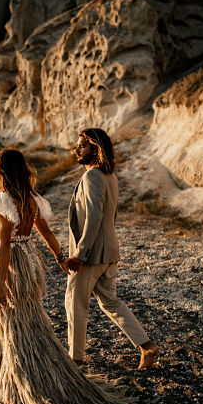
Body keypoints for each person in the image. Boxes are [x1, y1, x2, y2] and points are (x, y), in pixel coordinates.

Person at [0, 148, 132, 404]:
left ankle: (18, 378)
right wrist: (59, 257)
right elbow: (44, 231)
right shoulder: (30, 198)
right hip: (29, 263)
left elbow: (5, 244)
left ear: (1, 171)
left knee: (10, 319)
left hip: (12, 267)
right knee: (23, 320)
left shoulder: (3, 199)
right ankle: (4, 374)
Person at [64, 128, 159, 369]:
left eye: (83, 146)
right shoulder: (110, 177)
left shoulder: (92, 177)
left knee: (76, 303)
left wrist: (80, 254)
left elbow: (94, 217)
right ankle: (147, 346)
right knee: (111, 303)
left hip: (92, 255)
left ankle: (75, 360)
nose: (77, 149)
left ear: (96, 149)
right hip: (109, 253)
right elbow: (110, 216)